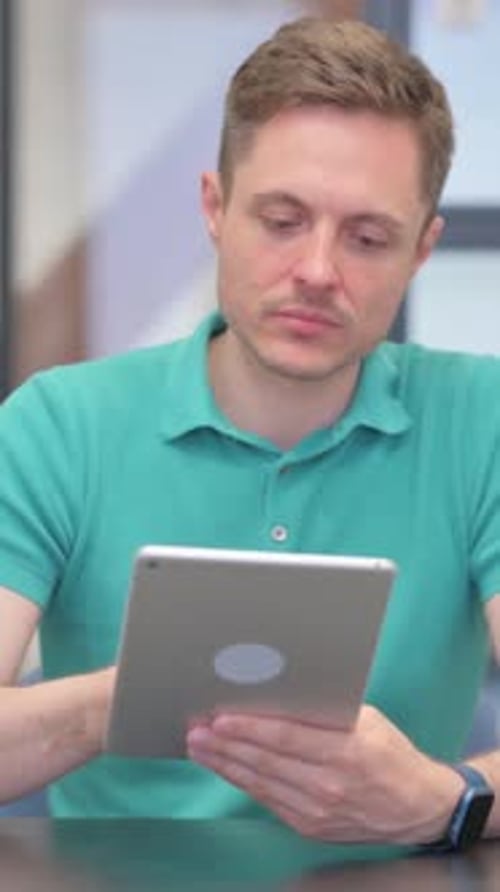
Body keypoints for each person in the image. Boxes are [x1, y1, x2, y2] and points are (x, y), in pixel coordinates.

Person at [1, 15, 500, 858]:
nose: (316, 270)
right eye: (281, 219)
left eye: (368, 237)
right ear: (215, 207)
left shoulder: (482, 421)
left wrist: (452, 798)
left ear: (421, 251)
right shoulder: (58, 424)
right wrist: (135, 697)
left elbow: (453, 802)